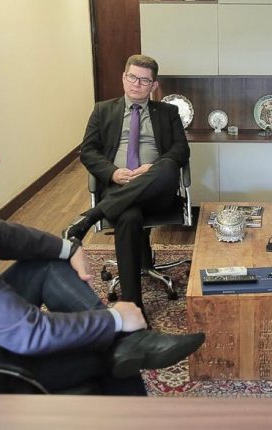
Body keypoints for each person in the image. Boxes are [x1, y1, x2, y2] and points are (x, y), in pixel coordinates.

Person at [0, 100, 204, 394]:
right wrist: (114, 319)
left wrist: (66, 248)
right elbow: (28, 333)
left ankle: (126, 342)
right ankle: (126, 354)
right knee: (108, 358)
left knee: (48, 263)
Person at [62, 54, 188, 308]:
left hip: (156, 191)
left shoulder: (168, 112)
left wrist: (151, 169)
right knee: (129, 217)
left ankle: (91, 216)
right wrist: (112, 173)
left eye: (144, 80)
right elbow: (88, 151)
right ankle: (133, 307)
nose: (136, 84)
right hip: (119, 188)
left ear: (154, 85)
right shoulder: (103, 110)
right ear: (123, 77)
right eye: (132, 77)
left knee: (166, 166)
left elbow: (181, 150)